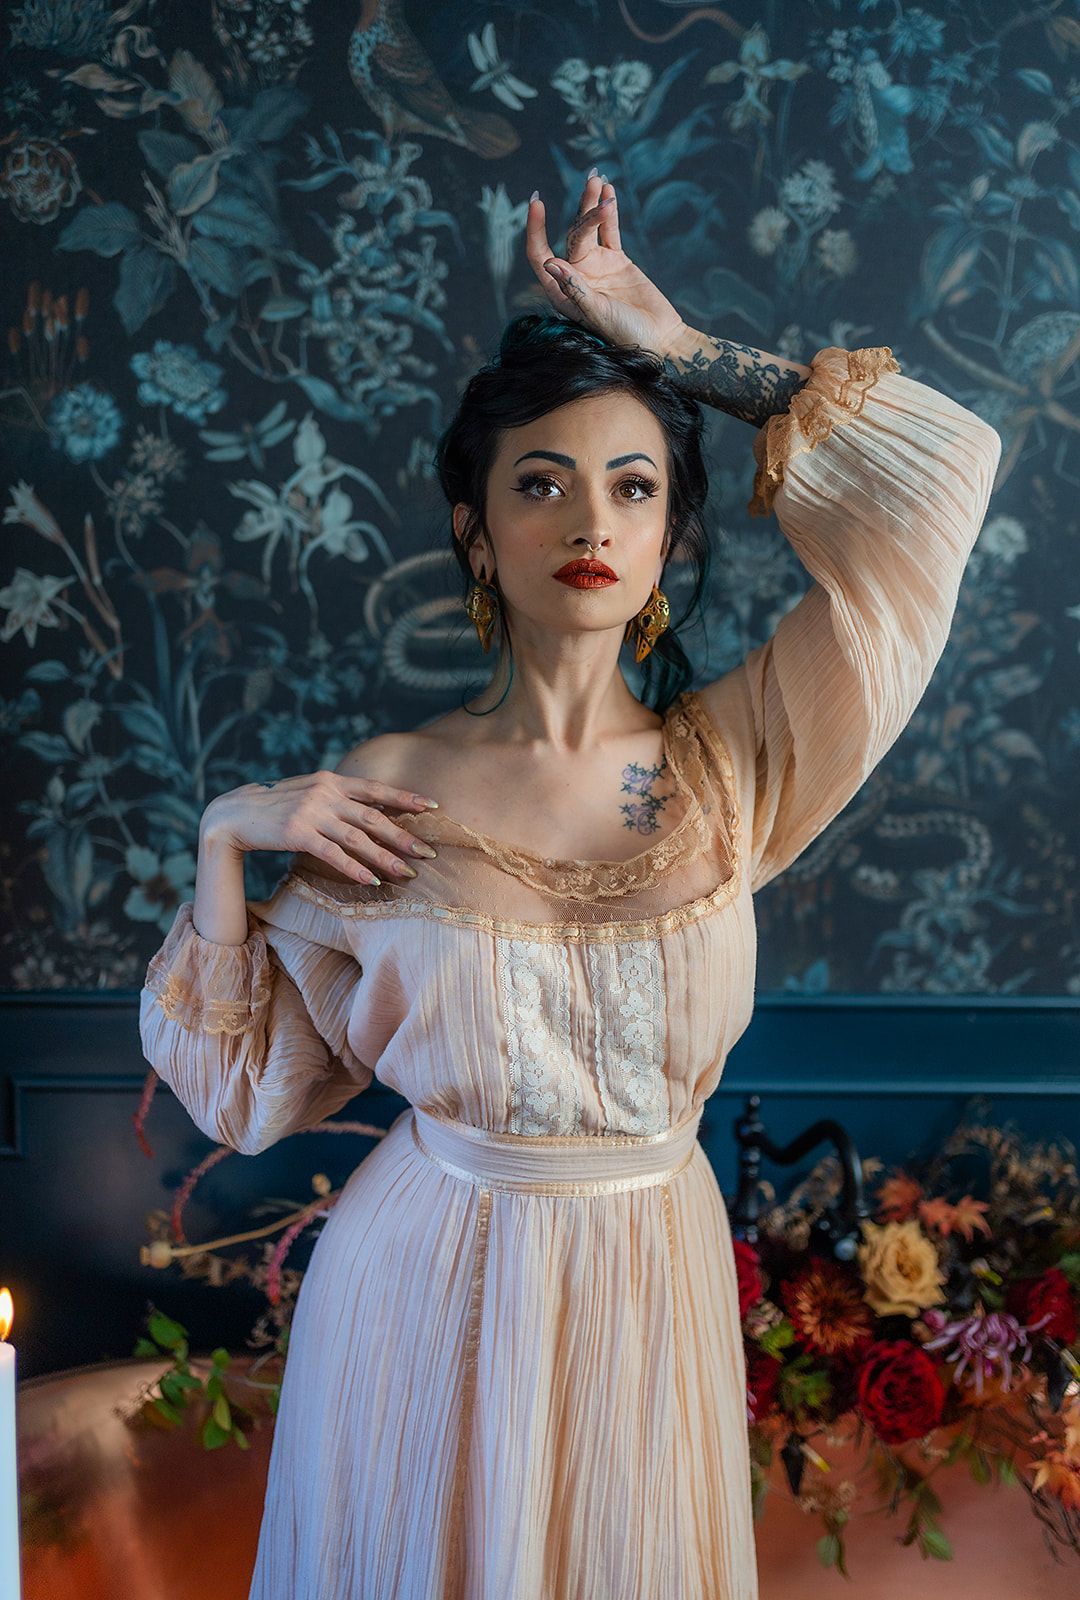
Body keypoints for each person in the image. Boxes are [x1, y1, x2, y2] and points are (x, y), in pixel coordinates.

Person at [138, 171, 1002, 1599]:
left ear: (666, 538)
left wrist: (674, 346)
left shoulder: (738, 765)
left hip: (646, 1285)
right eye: (539, 482)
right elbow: (247, 1096)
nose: (587, 517)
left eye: (633, 483)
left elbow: (940, 488)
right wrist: (229, 836)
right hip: (420, 1292)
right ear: (478, 533)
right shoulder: (395, 782)